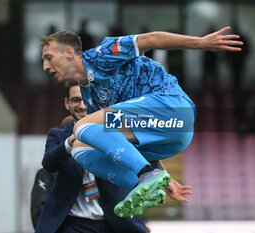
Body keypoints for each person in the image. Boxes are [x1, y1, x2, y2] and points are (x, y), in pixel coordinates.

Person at [40, 27, 242, 217]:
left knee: (81, 127)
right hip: (173, 138)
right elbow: (127, 137)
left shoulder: (101, 55)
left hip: (173, 109)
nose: (45, 67)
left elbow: (150, 39)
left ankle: (145, 174)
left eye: (49, 58)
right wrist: (165, 177)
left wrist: (200, 43)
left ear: (69, 53)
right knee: (79, 147)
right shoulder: (91, 97)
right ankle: (149, 185)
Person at [36, 81, 190, 232]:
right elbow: (49, 164)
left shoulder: (112, 129)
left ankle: (146, 191)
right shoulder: (57, 135)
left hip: (112, 221)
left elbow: (141, 152)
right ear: (67, 103)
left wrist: (166, 180)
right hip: (72, 223)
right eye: (76, 100)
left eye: (85, 100)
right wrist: (71, 141)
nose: (82, 106)